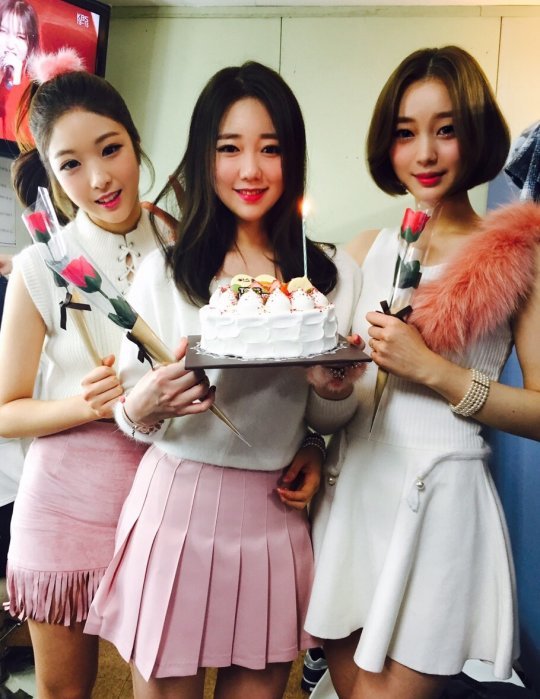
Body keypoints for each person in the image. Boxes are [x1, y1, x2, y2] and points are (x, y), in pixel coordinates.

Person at [85, 60, 363, 699]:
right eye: (229, 148)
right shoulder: (166, 272)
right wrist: (147, 403)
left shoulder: (327, 277)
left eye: (271, 148)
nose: (251, 170)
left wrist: (332, 396)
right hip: (175, 510)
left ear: (293, 158)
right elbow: (131, 413)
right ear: (203, 157)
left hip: (272, 513)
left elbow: (327, 418)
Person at [304, 45, 540, 699]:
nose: (426, 153)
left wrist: (432, 370)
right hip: (352, 491)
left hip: (440, 500)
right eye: (406, 133)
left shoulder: (517, 254)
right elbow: (332, 403)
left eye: (447, 129)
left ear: (476, 133)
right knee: (349, 689)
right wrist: (325, 392)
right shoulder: (365, 250)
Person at [0, 50, 161, 699]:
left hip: (166, 496)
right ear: (49, 172)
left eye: (111, 148)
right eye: (70, 163)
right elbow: (5, 409)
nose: (98, 178)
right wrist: (83, 405)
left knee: (162, 686)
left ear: (135, 140)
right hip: (63, 500)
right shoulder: (41, 265)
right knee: (64, 691)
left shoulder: (187, 246)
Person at [0, 0, 39, 140]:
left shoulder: (37, 90)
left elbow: (15, 143)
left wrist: (16, 82)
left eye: (21, 37)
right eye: (3, 31)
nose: (11, 44)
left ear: (30, 45)